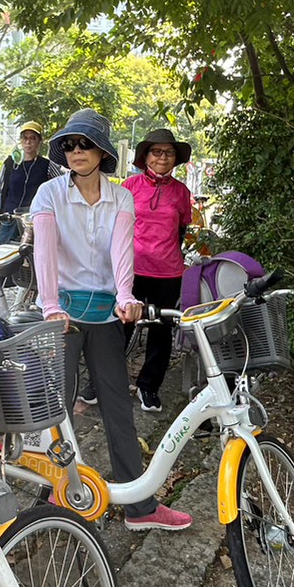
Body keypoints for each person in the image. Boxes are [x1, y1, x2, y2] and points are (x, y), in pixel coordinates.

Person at [32, 108, 192, 533]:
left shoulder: (121, 197)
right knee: (57, 406)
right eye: (69, 144)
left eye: (85, 143)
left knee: (118, 404)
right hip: (61, 309)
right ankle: (55, 495)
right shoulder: (48, 194)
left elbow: (123, 252)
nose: (76, 151)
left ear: (103, 151)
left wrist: (126, 295)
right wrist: (50, 305)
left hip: (104, 311)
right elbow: (44, 254)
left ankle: (140, 506)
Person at [121, 128, 194, 413]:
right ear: (146, 156)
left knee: (161, 333)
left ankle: (149, 386)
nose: (163, 157)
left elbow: (180, 230)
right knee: (121, 327)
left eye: (169, 152)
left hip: (168, 272)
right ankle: (106, 381)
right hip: (132, 269)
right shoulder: (129, 187)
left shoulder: (181, 192)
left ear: (175, 159)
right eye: (157, 151)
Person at [0, 120, 59, 242]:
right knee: (3, 253)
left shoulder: (47, 165)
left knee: (32, 255)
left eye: (33, 138)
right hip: (9, 218)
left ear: (39, 141)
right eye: (25, 138)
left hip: (35, 220)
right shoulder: (10, 163)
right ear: (20, 140)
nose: (28, 142)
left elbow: (60, 186)